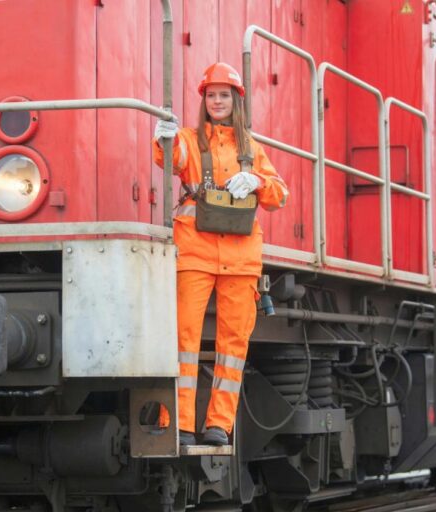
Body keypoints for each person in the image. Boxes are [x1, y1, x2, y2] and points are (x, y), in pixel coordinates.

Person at [152, 62, 289, 446]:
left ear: (236, 100)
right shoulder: (188, 139)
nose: (217, 101)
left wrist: (259, 180)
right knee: (184, 340)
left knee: (233, 346)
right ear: (203, 100)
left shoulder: (252, 150)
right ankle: (177, 422)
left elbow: (280, 195)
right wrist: (163, 139)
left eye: (224, 95)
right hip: (195, 253)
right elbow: (171, 160)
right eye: (211, 95)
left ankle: (219, 425)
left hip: (241, 260)